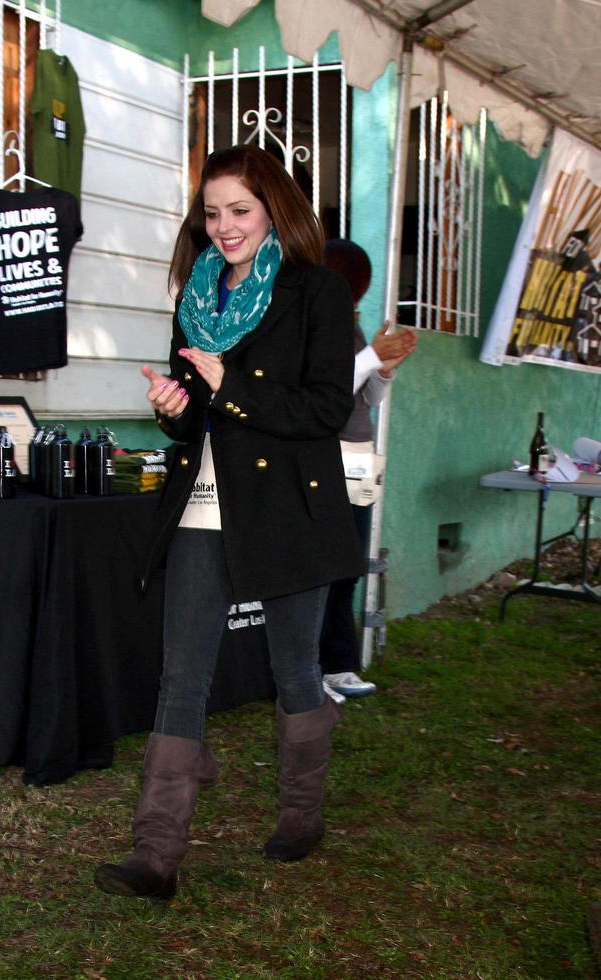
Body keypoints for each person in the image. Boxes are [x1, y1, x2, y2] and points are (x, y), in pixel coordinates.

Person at [93, 145, 363, 900]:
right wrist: (175, 409)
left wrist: (228, 385)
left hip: (288, 511)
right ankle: (156, 856)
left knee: (294, 670)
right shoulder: (197, 295)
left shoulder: (317, 293)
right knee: (181, 673)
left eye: (238, 210)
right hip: (203, 506)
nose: (223, 227)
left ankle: (302, 816)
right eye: (211, 212)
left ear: (274, 207)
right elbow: (192, 415)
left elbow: (323, 410)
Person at [319, 239, 417, 704]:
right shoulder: (315, 322)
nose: (358, 291)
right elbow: (325, 390)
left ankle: (338, 666)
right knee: (324, 568)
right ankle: (314, 669)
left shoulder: (351, 325)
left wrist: (385, 369)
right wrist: (371, 358)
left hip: (357, 454)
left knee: (348, 567)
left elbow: (364, 398)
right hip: (325, 456)